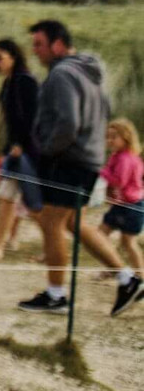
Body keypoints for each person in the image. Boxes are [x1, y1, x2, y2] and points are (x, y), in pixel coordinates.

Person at [16, 19, 134, 316]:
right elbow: (103, 112)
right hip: (88, 160)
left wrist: (46, 150)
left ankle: (56, 296)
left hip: (68, 161)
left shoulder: (62, 74)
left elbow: (68, 122)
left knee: (50, 223)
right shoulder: (89, 74)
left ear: (58, 44)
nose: (35, 51)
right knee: (71, 223)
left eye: (39, 44)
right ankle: (128, 279)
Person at [0, 39, 40, 261]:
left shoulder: (25, 83)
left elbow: (33, 119)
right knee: (7, 198)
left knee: (34, 204)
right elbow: (11, 123)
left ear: (14, 56)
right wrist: (8, 149)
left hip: (28, 151)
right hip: (16, 149)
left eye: (0, 57)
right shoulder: (9, 84)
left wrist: (21, 146)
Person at [99, 119, 143, 295]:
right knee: (101, 235)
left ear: (126, 138)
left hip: (132, 206)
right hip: (121, 205)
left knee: (129, 242)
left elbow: (119, 181)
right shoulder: (117, 156)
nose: (109, 141)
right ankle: (113, 267)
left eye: (114, 137)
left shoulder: (127, 158)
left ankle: (140, 275)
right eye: (107, 137)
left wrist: (100, 171)